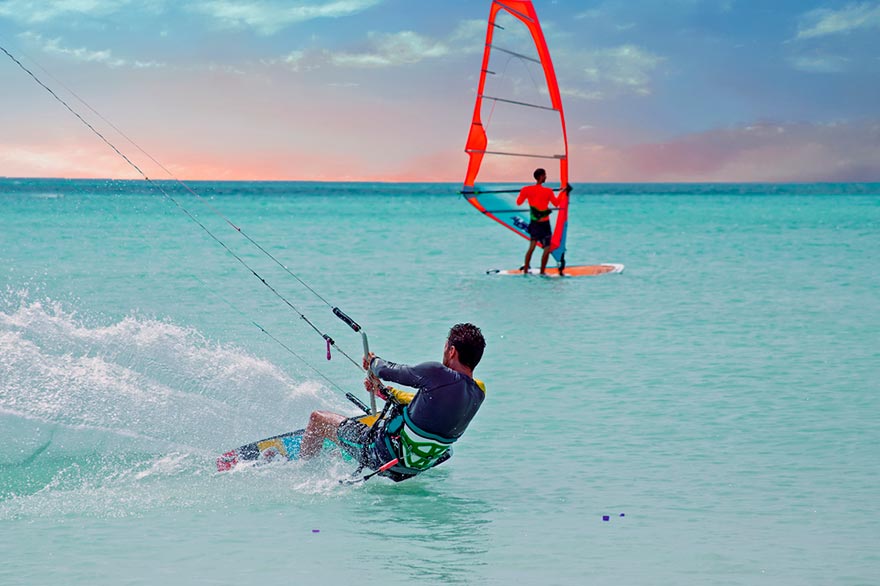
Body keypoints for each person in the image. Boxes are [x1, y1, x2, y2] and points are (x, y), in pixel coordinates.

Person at [299, 323, 487, 482]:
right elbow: (423, 402)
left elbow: (388, 371)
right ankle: (336, 452)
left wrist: (373, 361)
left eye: (446, 347)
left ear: (452, 351)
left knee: (318, 419)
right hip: (415, 466)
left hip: (383, 454)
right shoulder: (478, 392)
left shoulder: (437, 373)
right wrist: (383, 392)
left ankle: (302, 469)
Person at [515, 168, 572, 275]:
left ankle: (526, 271)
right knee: (547, 248)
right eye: (545, 175)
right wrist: (563, 193)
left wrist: (523, 193)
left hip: (534, 223)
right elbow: (556, 204)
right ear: (541, 176)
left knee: (531, 247)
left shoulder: (526, 189)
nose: (546, 177)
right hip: (545, 224)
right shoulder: (548, 191)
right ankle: (542, 272)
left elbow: (518, 202)